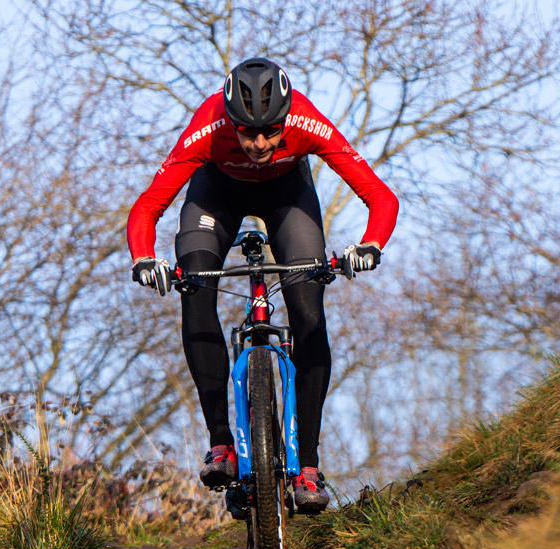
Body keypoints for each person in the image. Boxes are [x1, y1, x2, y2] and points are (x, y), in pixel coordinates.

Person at [126, 57, 398, 513]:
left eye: (270, 131)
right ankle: (221, 445)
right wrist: (143, 258)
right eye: (246, 132)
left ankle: (307, 465)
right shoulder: (208, 126)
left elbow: (380, 195)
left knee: (308, 310)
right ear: (229, 119)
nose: (258, 143)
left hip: (286, 196)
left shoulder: (308, 121)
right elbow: (149, 204)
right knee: (193, 286)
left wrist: (370, 245)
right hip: (216, 195)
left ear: (287, 116)